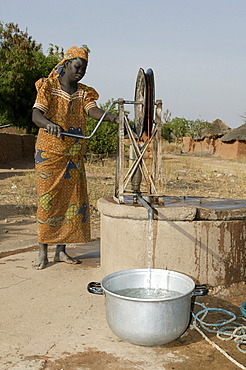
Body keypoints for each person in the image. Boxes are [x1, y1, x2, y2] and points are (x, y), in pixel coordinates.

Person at [32, 45, 118, 269]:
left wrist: (112, 117)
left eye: (84, 69)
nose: (80, 72)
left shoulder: (83, 92)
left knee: (70, 202)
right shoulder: (48, 87)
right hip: (49, 152)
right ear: (67, 64)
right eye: (78, 67)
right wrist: (49, 125)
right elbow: (36, 115)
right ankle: (43, 250)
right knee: (48, 200)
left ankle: (61, 251)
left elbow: (92, 111)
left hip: (74, 154)